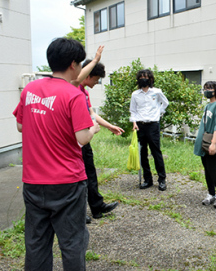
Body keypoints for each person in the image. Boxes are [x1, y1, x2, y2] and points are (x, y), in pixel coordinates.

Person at [13, 38, 100, 270]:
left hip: (33, 181)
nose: (81, 67)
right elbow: (82, 138)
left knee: (36, 242)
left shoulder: (30, 89)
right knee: (72, 242)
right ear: (73, 64)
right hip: (67, 182)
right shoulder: (73, 95)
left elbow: (20, 126)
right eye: (80, 63)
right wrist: (94, 127)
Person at [78, 59, 124, 221]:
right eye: (96, 79)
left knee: (90, 174)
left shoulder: (84, 91)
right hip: (75, 142)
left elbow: (92, 114)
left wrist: (109, 126)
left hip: (85, 140)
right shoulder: (72, 89)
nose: (97, 83)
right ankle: (79, 213)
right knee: (78, 178)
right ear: (88, 75)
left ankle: (97, 207)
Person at [130, 69, 169, 191]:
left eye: (146, 77)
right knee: (142, 153)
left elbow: (165, 103)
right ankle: (148, 180)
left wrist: (159, 113)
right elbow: (133, 110)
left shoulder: (156, 92)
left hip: (153, 125)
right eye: (141, 77)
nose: (143, 79)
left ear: (150, 79)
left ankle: (162, 180)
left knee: (156, 152)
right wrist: (134, 123)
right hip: (140, 126)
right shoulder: (135, 94)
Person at [194, 81, 216, 209]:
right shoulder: (208, 105)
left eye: (210, 88)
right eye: (205, 88)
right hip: (204, 142)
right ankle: (211, 194)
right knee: (207, 170)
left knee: (213, 170)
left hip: (210, 142)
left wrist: (213, 144)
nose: (207, 90)